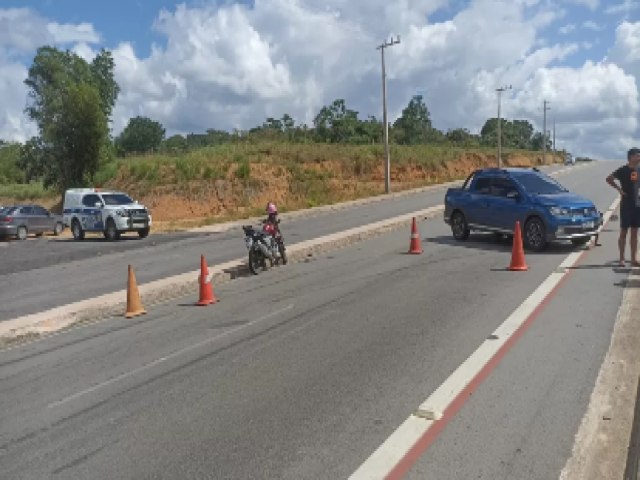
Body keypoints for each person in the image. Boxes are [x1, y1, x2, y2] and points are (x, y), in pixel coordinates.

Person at [606, 148, 640, 266]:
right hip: (626, 205)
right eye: (637, 155)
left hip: (637, 205)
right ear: (631, 157)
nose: (639, 157)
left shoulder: (639, 169)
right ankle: (621, 258)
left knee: (635, 233)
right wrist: (619, 189)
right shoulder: (623, 170)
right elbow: (609, 178)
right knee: (624, 232)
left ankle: (634, 258)